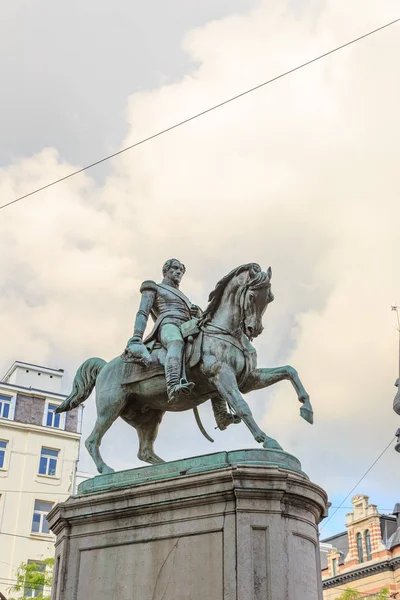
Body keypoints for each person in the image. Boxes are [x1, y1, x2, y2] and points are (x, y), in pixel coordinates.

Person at [125, 259, 202, 403]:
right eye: (175, 268)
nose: (179, 271)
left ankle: (221, 413)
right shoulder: (155, 287)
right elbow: (143, 312)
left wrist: (198, 313)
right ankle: (172, 385)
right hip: (168, 324)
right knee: (176, 342)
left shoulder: (185, 298)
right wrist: (137, 337)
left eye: (181, 270)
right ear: (166, 271)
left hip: (187, 327)